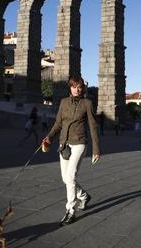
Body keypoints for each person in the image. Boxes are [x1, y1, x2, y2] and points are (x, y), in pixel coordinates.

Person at [43, 76, 100, 226]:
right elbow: (58, 123)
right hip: (64, 144)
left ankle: (70, 210)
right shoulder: (63, 102)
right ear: (70, 88)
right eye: (74, 87)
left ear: (83, 88)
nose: (77, 89)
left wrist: (96, 149)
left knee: (71, 176)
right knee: (65, 179)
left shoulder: (87, 103)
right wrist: (49, 137)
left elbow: (93, 126)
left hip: (80, 143)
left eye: (80, 87)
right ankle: (83, 196)